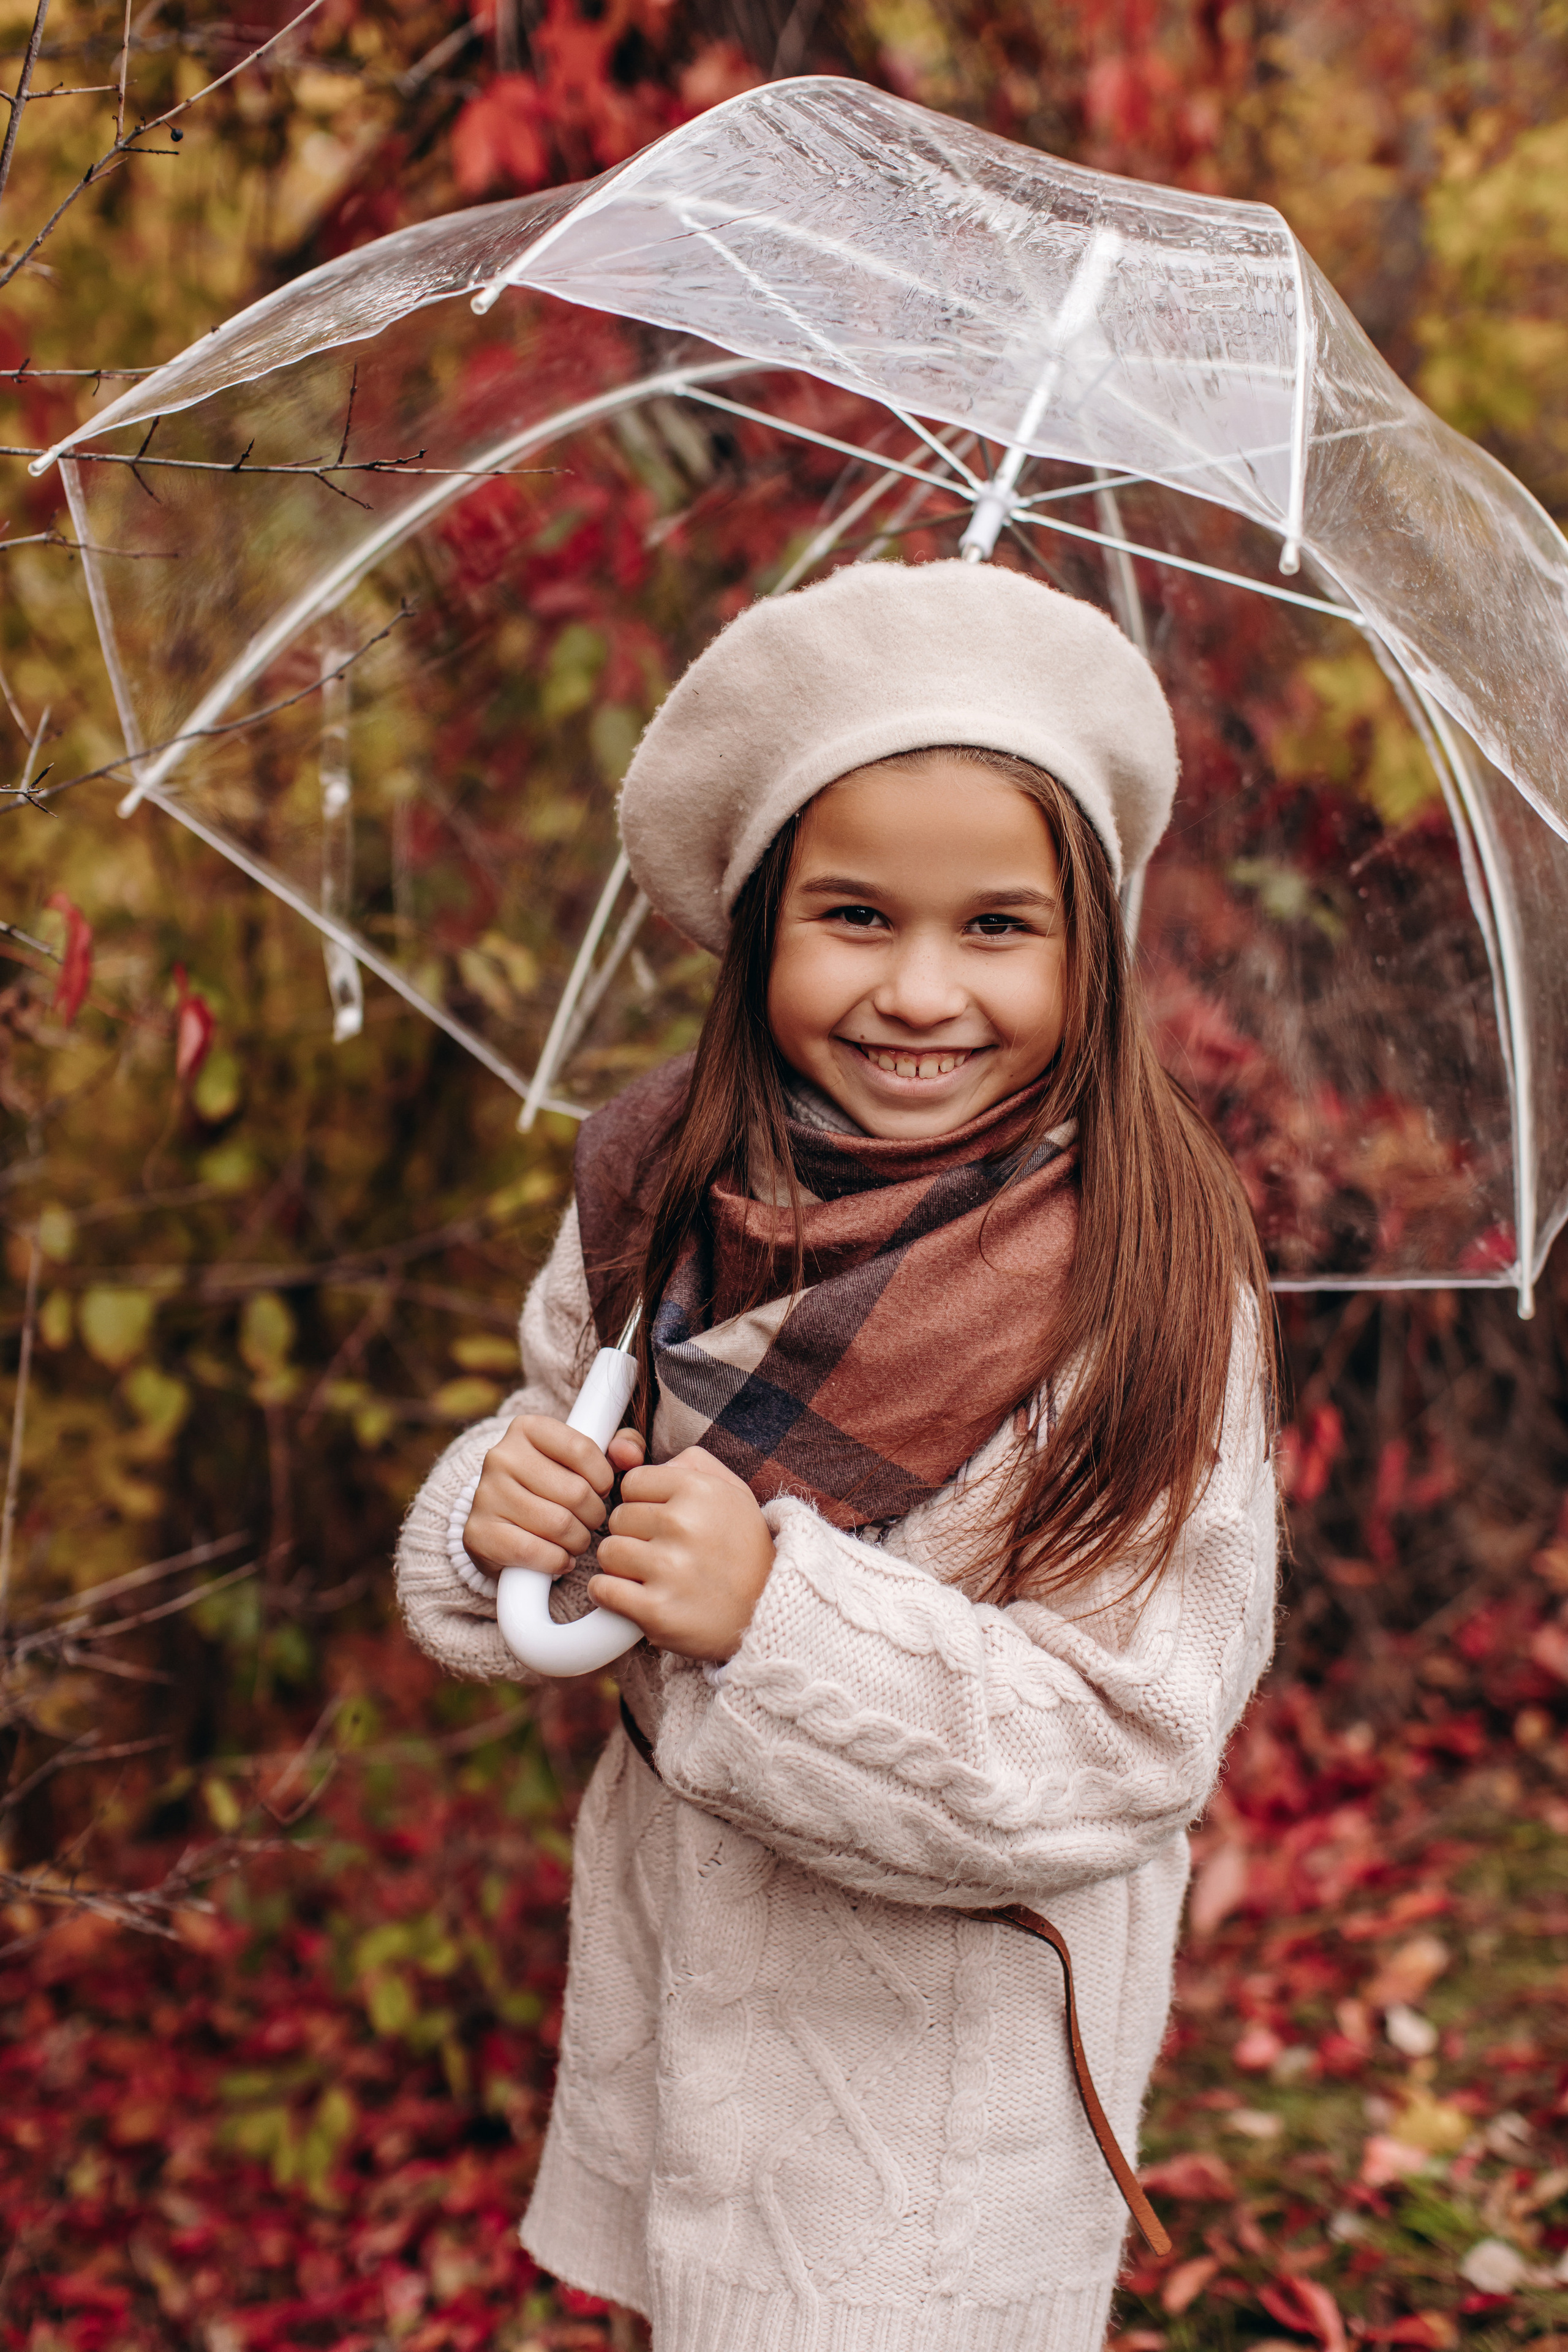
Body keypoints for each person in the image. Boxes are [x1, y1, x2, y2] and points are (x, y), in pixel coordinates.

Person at [396, 559, 1279, 2352]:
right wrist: (504, 1510)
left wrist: (770, 1620)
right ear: (757, 925)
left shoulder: (1148, 1280)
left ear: (1088, 946)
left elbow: (1130, 1748)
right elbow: (562, 1421)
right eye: (858, 916)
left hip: (938, 2120)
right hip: (684, 2030)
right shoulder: (664, 1182)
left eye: (999, 927)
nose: (922, 993)